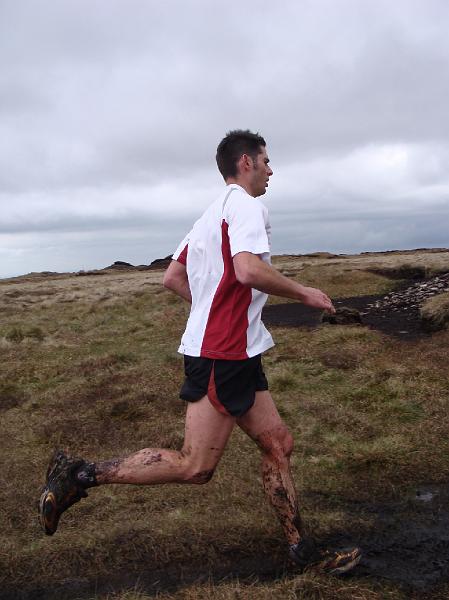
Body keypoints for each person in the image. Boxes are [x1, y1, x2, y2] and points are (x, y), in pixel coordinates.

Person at [39, 130, 361, 574]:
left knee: (278, 444)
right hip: (222, 353)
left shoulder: (209, 216)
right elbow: (248, 269)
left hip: (237, 350)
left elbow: (172, 277)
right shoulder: (246, 205)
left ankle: (301, 550)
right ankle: (79, 476)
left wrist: (210, 308)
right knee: (196, 467)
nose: (271, 170)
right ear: (245, 162)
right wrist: (303, 293)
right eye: (266, 161)